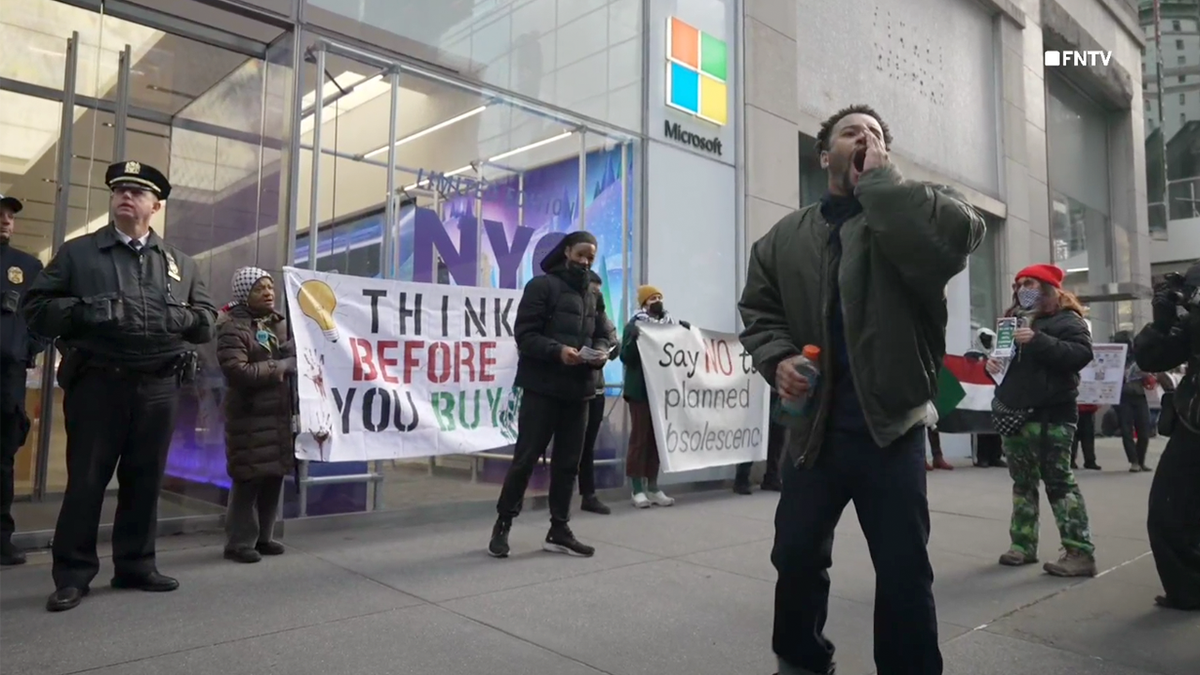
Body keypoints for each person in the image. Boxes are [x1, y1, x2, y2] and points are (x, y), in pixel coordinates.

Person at [739, 104, 984, 675]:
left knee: (902, 568)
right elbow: (759, 311)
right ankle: (801, 661)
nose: (864, 139)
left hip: (890, 428)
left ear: (885, 156)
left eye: (874, 134)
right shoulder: (785, 236)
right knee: (796, 556)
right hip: (813, 431)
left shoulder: (915, 209)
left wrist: (882, 184)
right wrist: (777, 360)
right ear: (825, 154)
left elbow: (958, 235)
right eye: (851, 132)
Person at [22, 161, 217, 612]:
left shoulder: (180, 264)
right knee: (87, 480)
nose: (126, 196)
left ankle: (135, 565)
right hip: (98, 385)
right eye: (119, 190)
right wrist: (89, 311)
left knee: (145, 480)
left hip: (159, 386)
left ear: (156, 205)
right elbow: (36, 308)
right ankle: (73, 573)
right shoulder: (79, 254)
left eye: (137, 191)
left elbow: (207, 322)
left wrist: (179, 318)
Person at [489, 231, 613, 558]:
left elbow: (606, 333)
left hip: (580, 391)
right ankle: (503, 523)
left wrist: (600, 351)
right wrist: (558, 351)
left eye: (591, 256)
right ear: (566, 251)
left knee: (568, 464)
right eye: (581, 254)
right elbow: (525, 335)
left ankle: (559, 529)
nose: (586, 261)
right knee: (526, 459)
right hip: (542, 388)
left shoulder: (592, 293)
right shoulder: (541, 287)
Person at [986, 264, 1096, 577]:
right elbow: (1007, 365)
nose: (1022, 289)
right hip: (1015, 414)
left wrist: (1036, 341)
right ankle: (1022, 545)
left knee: (1059, 483)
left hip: (1052, 416)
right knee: (1022, 484)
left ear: (1047, 288)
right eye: (1018, 284)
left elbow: (1079, 355)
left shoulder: (1067, 320)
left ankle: (1080, 551)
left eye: (1029, 283)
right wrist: (991, 365)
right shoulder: (1012, 322)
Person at [1133, 265, 1200, 611]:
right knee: (1168, 509)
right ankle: (1189, 588)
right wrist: (1162, 321)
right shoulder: (1196, 278)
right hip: (1194, 418)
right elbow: (1155, 356)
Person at [216, 267, 294, 563]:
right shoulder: (233, 329)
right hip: (248, 417)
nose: (268, 293)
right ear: (243, 294)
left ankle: (264, 537)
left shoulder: (279, 325)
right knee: (248, 479)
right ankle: (238, 542)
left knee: (273, 475)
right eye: (260, 288)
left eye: (270, 287)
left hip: (277, 415)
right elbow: (238, 371)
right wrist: (283, 366)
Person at [1, 193, 46, 566]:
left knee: (2, 460)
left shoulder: (27, 267)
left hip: (7, 376)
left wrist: (26, 349)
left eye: (10, 216)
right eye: (0, 214)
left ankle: (1, 538)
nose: (6, 221)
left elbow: (44, 317)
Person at [620, 285, 685, 508]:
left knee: (657, 440)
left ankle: (653, 485)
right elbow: (625, 357)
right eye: (652, 298)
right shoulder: (634, 326)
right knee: (640, 438)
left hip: (661, 391)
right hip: (640, 391)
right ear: (643, 303)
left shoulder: (670, 327)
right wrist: (632, 341)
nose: (656, 301)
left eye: (659, 297)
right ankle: (637, 488)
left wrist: (686, 332)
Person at [578, 270, 618, 515]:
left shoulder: (600, 316)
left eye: (599, 291)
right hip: (571, 387)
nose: (596, 296)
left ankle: (588, 493)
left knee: (588, 443)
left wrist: (604, 350)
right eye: (593, 291)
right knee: (571, 443)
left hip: (596, 386)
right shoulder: (573, 314)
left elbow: (611, 336)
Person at [1114, 330, 1154, 472]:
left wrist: (1146, 376)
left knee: (1144, 430)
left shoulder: (1138, 358)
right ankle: (1134, 461)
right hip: (1123, 397)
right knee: (1127, 430)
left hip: (1139, 395)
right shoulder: (1114, 359)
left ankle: (1141, 460)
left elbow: (1149, 379)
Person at [968, 327, 1006, 468]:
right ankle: (981, 457)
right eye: (984, 338)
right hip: (978, 396)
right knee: (980, 428)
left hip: (994, 395)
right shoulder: (971, 355)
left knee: (995, 427)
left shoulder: (998, 354)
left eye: (989, 338)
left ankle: (995, 456)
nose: (987, 341)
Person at [733, 394, 784, 494]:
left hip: (776, 392)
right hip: (759, 390)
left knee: (777, 434)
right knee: (753, 433)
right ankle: (742, 477)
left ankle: (772, 476)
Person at [1071, 402, 1101, 470]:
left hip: (1086, 408)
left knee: (1087, 436)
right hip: (1076, 408)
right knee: (1084, 436)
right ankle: (1088, 460)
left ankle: (1089, 460)